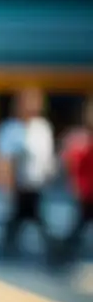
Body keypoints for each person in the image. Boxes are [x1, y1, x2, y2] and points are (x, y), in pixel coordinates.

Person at [0, 88, 57, 260]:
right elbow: (3, 158)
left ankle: (53, 251)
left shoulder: (42, 128)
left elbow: (47, 157)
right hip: (18, 184)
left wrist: (49, 174)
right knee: (21, 218)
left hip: (36, 183)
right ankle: (7, 249)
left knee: (29, 217)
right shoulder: (10, 129)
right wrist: (4, 182)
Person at [61, 97, 93, 262]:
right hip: (87, 191)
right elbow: (70, 163)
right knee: (79, 226)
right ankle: (62, 253)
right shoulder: (79, 138)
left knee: (79, 226)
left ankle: (62, 252)